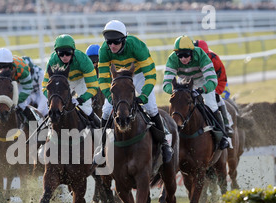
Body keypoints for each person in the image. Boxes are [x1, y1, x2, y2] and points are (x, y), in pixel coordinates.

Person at [99, 20, 173, 163]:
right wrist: (109, 96)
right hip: (118, 79)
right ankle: (101, 147)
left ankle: (164, 144)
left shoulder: (137, 46)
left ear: (124, 40)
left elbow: (151, 75)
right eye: (109, 42)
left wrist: (144, 95)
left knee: (151, 108)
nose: (112, 46)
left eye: (116, 42)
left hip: (139, 75)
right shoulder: (104, 50)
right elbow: (102, 79)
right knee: (106, 111)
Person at [163, 35, 229, 150]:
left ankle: (222, 135)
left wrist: (201, 90)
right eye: (180, 55)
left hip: (202, 80)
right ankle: (169, 137)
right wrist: (175, 90)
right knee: (176, 103)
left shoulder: (201, 55)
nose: (183, 59)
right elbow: (166, 84)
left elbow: (212, 80)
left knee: (211, 104)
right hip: (183, 82)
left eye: (186, 55)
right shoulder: (172, 58)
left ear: (192, 52)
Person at [42, 34, 100, 127]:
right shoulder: (52, 61)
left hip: (80, 81)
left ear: (73, 51)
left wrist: (81, 99)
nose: (64, 56)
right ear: (57, 53)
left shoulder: (84, 60)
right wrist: (52, 98)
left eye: (68, 53)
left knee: (86, 108)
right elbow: (45, 86)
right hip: (62, 83)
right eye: (61, 54)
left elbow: (93, 87)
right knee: (53, 109)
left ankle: (100, 131)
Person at [0, 48, 35, 140]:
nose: (2, 69)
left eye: (5, 66)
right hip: (1, 85)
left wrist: (15, 101)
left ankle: (36, 131)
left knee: (22, 105)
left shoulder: (21, 68)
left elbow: (28, 87)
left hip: (19, 84)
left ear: (11, 64)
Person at [193, 39, 233, 136]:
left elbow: (222, 78)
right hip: (196, 83)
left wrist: (216, 91)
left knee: (217, 100)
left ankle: (226, 125)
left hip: (215, 83)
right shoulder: (188, 59)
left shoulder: (214, 59)